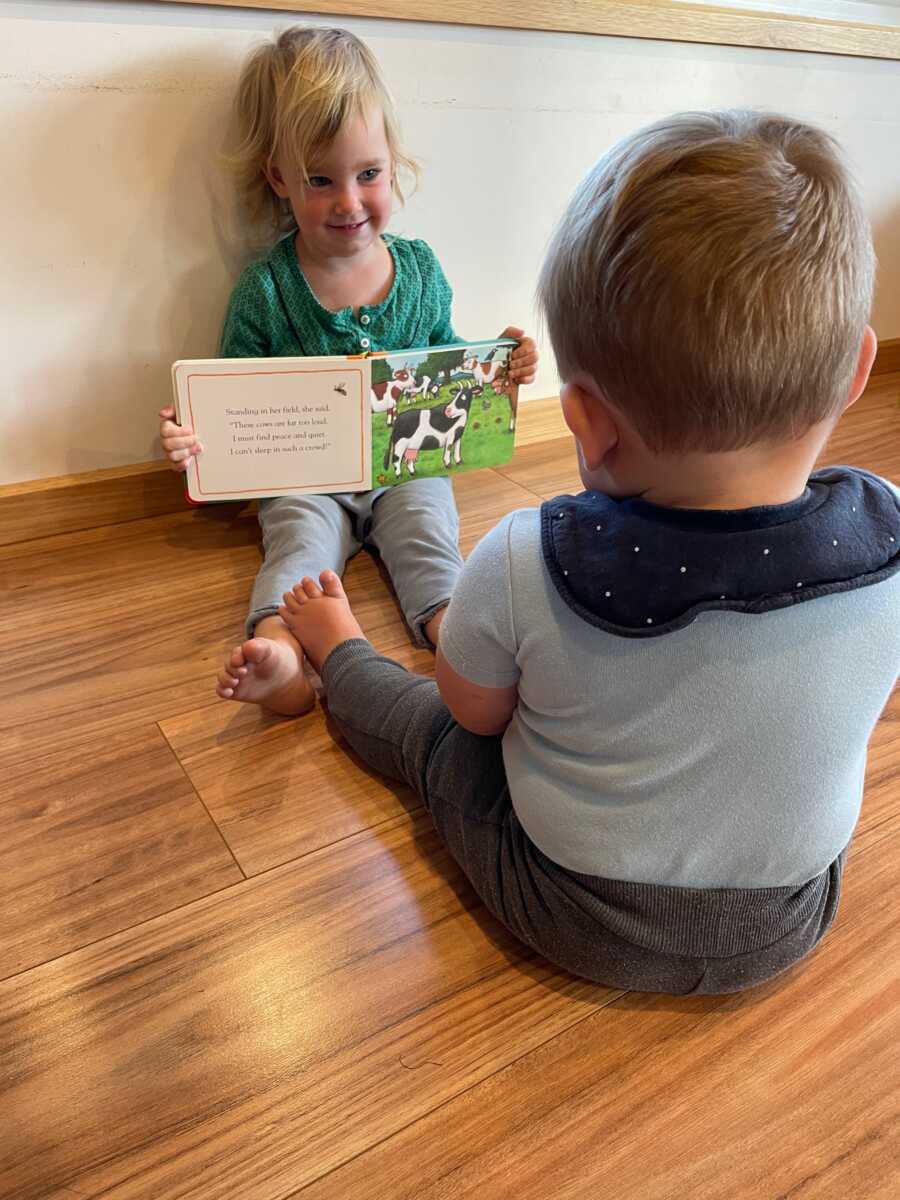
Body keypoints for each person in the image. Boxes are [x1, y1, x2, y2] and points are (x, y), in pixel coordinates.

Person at [271, 111, 899, 994]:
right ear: (858, 372)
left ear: (585, 422)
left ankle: (335, 648)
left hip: (573, 909)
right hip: (790, 915)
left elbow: (472, 712)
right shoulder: (890, 538)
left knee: (437, 738)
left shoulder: (532, 556)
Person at [158, 26, 538, 715]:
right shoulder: (266, 291)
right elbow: (231, 407)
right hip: (305, 478)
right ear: (279, 179)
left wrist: (498, 367)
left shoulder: (419, 271)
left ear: (393, 164)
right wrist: (195, 440)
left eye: (368, 175)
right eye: (319, 180)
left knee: (429, 531)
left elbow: (442, 356)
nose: (348, 202)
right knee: (296, 543)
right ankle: (278, 651)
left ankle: (451, 631)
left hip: (406, 466)